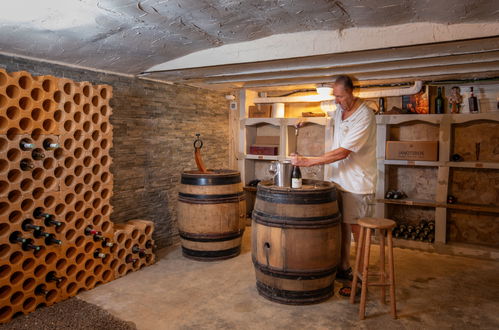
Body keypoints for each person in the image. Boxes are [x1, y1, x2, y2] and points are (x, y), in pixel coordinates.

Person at [291, 75, 377, 296]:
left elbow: (343, 151)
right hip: (338, 180)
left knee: (359, 233)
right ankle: (344, 268)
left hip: (358, 184)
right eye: (335, 96)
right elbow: (329, 120)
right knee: (342, 229)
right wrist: (305, 118)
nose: (336, 100)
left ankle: (361, 281)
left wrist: (309, 161)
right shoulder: (340, 110)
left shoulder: (364, 115)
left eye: (339, 96)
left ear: (352, 91)